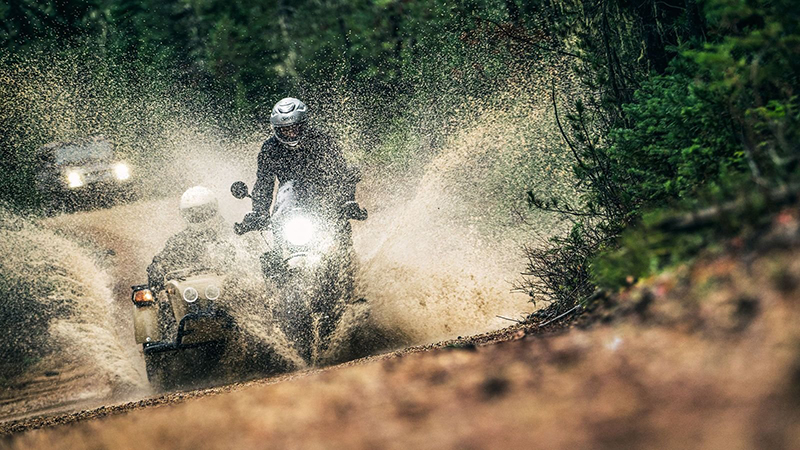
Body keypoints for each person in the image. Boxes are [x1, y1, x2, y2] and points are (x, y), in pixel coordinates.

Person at [245, 97, 367, 227]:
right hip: (287, 203)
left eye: (295, 128)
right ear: (277, 129)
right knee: (275, 229)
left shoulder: (322, 141)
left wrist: (347, 200)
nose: (291, 134)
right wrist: (259, 213)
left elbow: (339, 172)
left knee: (340, 225)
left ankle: (344, 245)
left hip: (323, 196)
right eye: (285, 130)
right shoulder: (270, 148)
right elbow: (264, 182)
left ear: (304, 124)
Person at [147, 186, 235, 291]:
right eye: (193, 213)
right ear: (184, 214)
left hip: (224, 293)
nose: (199, 217)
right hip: (191, 295)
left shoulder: (232, 234)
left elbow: (246, 267)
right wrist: (156, 271)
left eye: (204, 212)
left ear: (214, 209)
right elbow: (161, 263)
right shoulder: (178, 241)